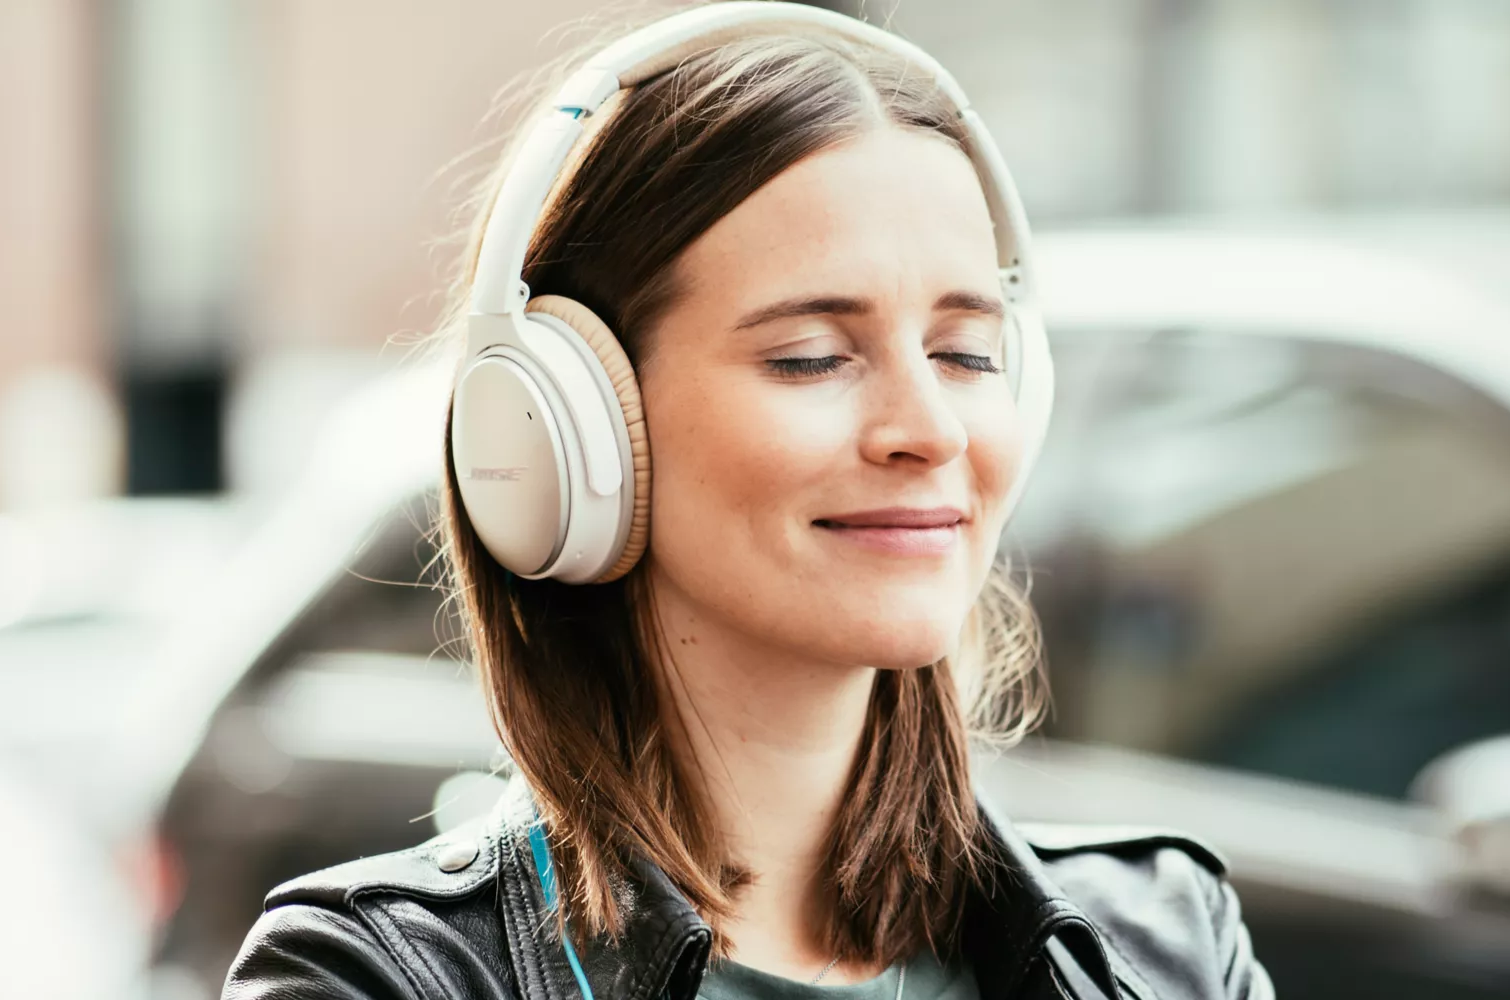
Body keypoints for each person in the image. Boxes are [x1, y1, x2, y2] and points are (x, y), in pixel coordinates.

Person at [224, 5, 1273, 999]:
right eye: (811, 357)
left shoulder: (1167, 943)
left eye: (965, 352)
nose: (933, 428)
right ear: (574, 422)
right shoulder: (380, 978)